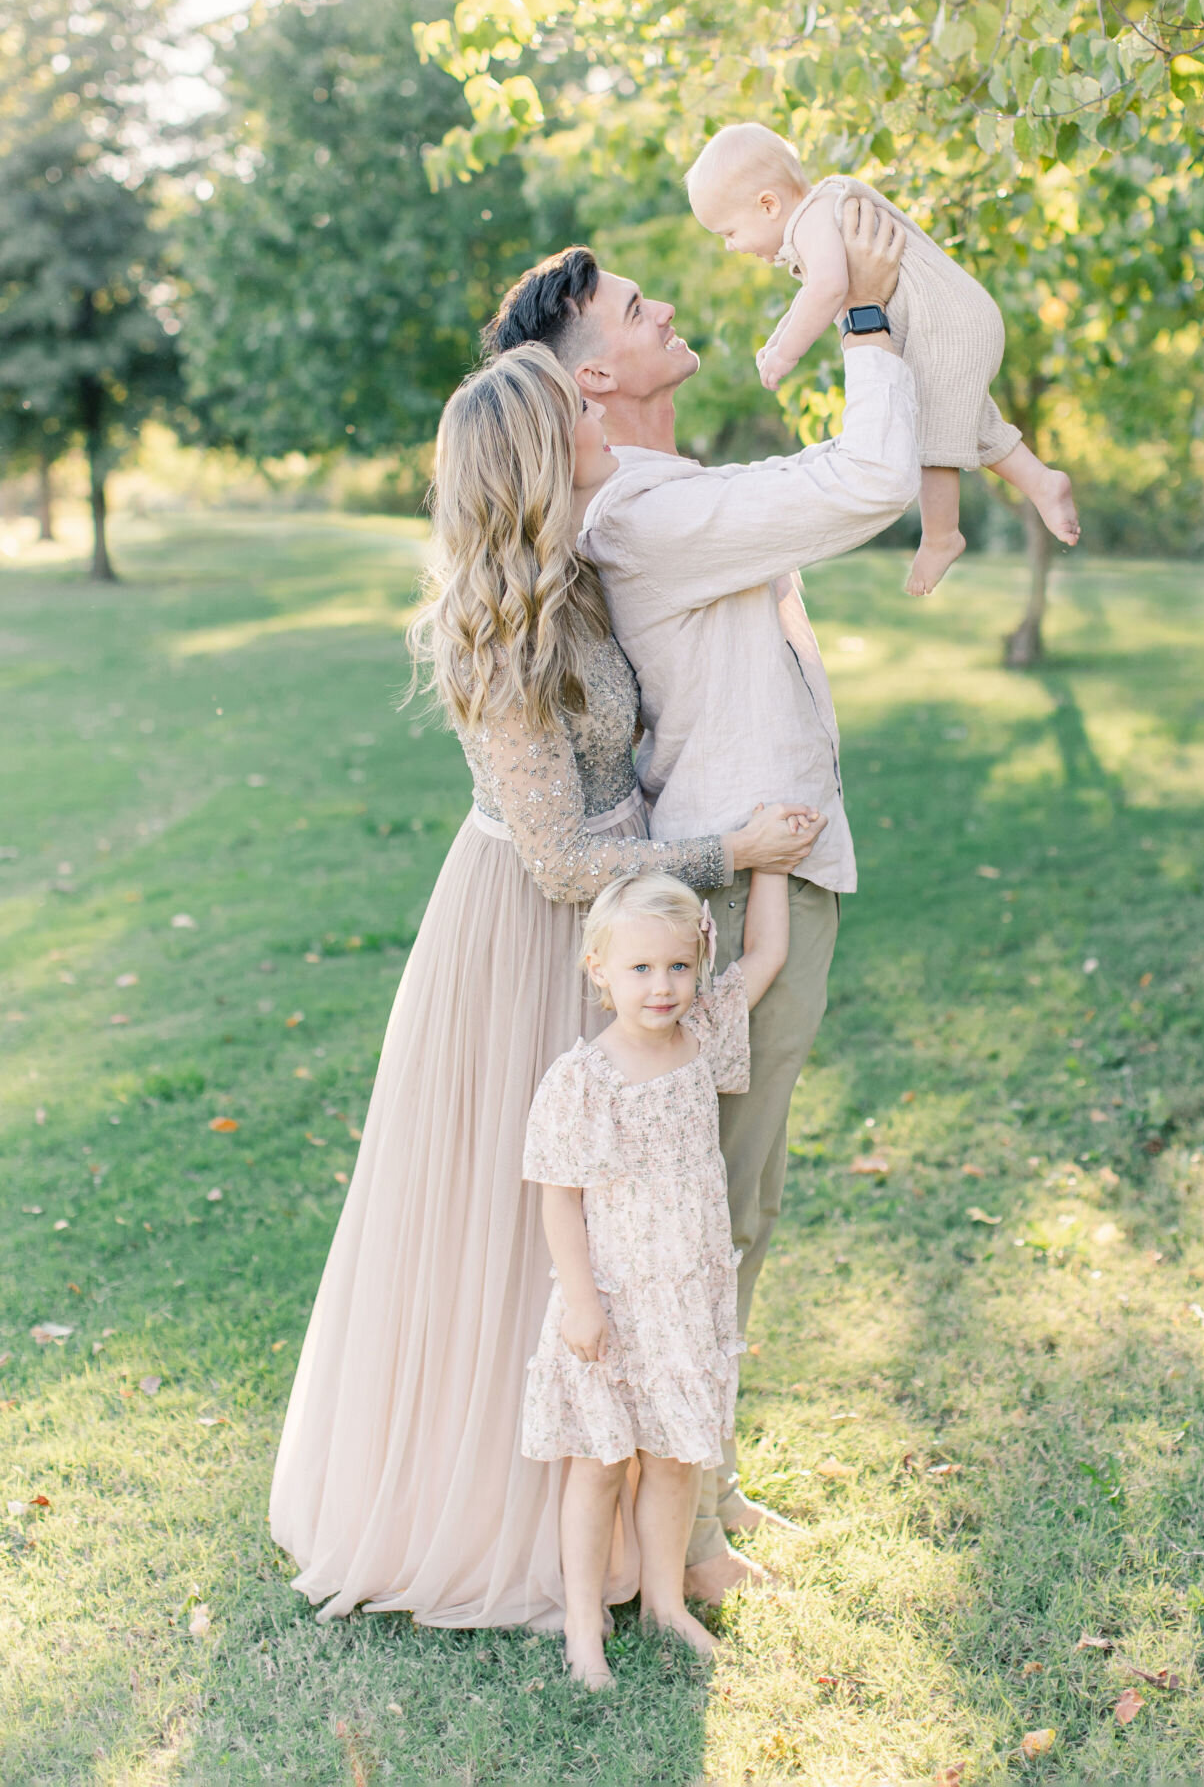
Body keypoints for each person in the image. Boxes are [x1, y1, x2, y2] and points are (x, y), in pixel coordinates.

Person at [269, 344, 823, 1632]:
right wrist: (726, 852)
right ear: (536, 453)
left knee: (626, 1212)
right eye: (575, 405)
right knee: (530, 1224)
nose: (596, 406)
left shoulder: (574, 573)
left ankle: (644, 1495)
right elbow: (562, 854)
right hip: (529, 923)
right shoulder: (491, 627)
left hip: (610, 922)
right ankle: (504, 1517)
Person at [482, 198, 916, 1599]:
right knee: (706, 1219)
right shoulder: (649, 510)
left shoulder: (666, 494)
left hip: (760, 863)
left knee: (739, 1207)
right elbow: (867, 481)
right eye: (634, 313)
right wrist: (856, 310)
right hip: (737, 879)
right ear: (587, 378)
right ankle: (687, 1535)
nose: (668, 309)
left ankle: (702, 1491)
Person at [522, 868, 789, 1688]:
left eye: (677, 966)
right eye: (639, 969)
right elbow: (559, 1202)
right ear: (598, 969)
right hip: (611, 1297)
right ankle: (581, 1623)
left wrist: (771, 868)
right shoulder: (584, 1078)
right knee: (600, 1461)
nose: (663, 987)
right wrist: (582, 1302)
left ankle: (666, 1604)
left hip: (685, 1296)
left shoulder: (701, 1034)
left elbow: (768, 953)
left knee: (675, 1459)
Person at [685, 120, 1081, 597]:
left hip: (948, 321)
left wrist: (787, 352)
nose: (730, 246)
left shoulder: (815, 217)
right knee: (966, 421)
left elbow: (830, 289)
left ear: (768, 205)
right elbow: (816, 290)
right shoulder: (819, 216)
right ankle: (1041, 482)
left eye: (729, 232)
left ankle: (941, 536)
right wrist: (777, 336)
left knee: (931, 432)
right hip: (952, 321)